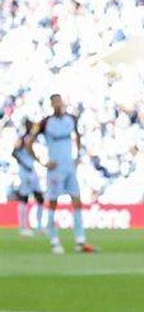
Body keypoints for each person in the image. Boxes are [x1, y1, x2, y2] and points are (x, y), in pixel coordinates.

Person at [34, 94, 95, 255]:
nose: (58, 104)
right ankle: (54, 240)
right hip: (55, 169)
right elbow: (28, 142)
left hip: (69, 167)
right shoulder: (45, 122)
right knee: (53, 203)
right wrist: (41, 161)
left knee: (77, 201)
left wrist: (78, 157)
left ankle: (80, 240)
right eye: (55, 101)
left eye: (60, 101)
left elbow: (78, 136)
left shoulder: (71, 119)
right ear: (51, 104)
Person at [9, 118, 46, 237]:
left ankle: (39, 226)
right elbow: (14, 153)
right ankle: (23, 227)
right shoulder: (21, 139)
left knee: (40, 197)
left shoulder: (31, 139)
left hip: (32, 171)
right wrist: (24, 165)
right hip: (25, 172)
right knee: (24, 198)